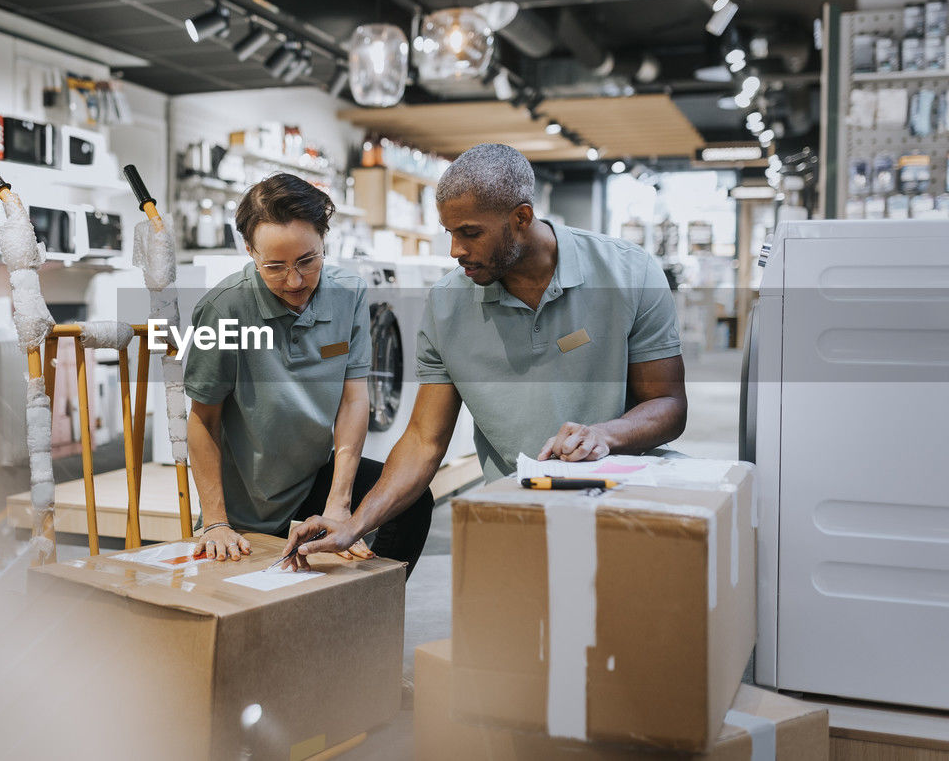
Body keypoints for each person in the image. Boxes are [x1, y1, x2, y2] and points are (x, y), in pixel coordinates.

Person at [281, 144, 687, 568]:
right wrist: (354, 523)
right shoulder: (446, 306)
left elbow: (669, 405)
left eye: (470, 233)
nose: (455, 250)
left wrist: (606, 434)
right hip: (518, 512)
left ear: (521, 218)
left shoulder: (628, 273)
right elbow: (424, 439)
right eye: (449, 233)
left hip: (626, 505)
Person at [184, 172, 433, 575]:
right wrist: (215, 521)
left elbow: (354, 400)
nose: (295, 281)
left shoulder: (348, 293)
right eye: (275, 267)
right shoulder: (224, 309)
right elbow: (203, 420)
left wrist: (340, 504)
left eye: (307, 260)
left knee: (411, 499)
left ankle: (370, 613)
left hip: (314, 473)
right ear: (249, 250)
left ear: (324, 241)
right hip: (251, 498)